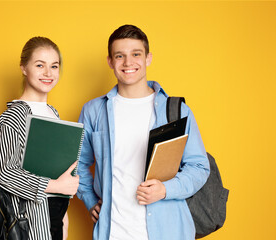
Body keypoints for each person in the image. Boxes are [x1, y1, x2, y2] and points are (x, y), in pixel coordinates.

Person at [77, 25, 210, 239]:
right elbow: (78, 163)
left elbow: (199, 167)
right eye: (120, 56)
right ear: (110, 61)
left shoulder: (176, 110)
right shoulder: (93, 111)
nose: (128, 63)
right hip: (113, 232)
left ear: (148, 58)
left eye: (136, 54)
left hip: (168, 231)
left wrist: (165, 190)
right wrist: (90, 200)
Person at [0, 36, 79, 240]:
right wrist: (56, 186)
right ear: (24, 67)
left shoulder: (52, 113)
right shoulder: (16, 115)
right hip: (30, 224)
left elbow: (56, 169)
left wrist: (64, 220)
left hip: (55, 220)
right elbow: (4, 172)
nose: (48, 73)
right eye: (40, 65)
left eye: (54, 66)